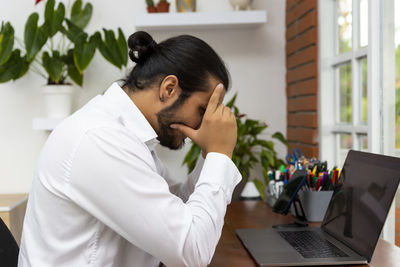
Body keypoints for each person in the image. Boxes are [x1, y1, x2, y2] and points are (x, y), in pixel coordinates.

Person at [18, 31, 241, 267]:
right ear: (169, 89)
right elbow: (192, 251)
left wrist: (209, 155)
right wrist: (219, 154)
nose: (201, 124)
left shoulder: (126, 134)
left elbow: (176, 208)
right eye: (202, 110)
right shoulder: (101, 139)